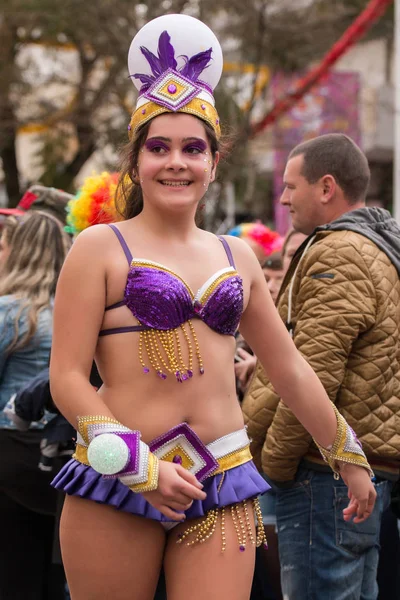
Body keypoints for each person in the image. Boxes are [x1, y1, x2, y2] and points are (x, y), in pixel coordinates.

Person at [50, 16, 375, 600]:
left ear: (213, 163)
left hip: (221, 484)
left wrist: (346, 452)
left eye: (192, 148)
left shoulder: (239, 255)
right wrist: (138, 469)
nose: (176, 161)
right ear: (136, 162)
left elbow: (290, 368)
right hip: (120, 479)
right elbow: (67, 378)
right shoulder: (98, 248)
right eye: (159, 148)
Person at [242, 133, 400, 600]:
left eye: (292, 186)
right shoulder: (375, 245)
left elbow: (311, 375)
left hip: (324, 474)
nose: (284, 197)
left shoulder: (340, 250)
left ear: (326, 187)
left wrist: (272, 467)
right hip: (350, 471)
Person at [0, 211, 71, 599]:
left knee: (14, 574)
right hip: (65, 453)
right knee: (58, 575)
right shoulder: (77, 310)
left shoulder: (7, 312)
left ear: (16, 253)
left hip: (10, 451)